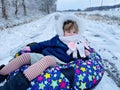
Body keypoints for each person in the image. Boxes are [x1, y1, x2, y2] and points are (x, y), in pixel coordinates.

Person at [0, 14, 90, 90]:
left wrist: (85, 53)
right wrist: (31, 48)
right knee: (26, 56)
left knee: (47, 59)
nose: (71, 34)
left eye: (74, 32)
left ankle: (9, 87)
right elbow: (44, 44)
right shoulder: (58, 39)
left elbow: (80, 54)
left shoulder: (78, 42)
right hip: (43, 55)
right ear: (63, 31)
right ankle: (2, 73)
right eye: (68, 31)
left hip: (58, 61)